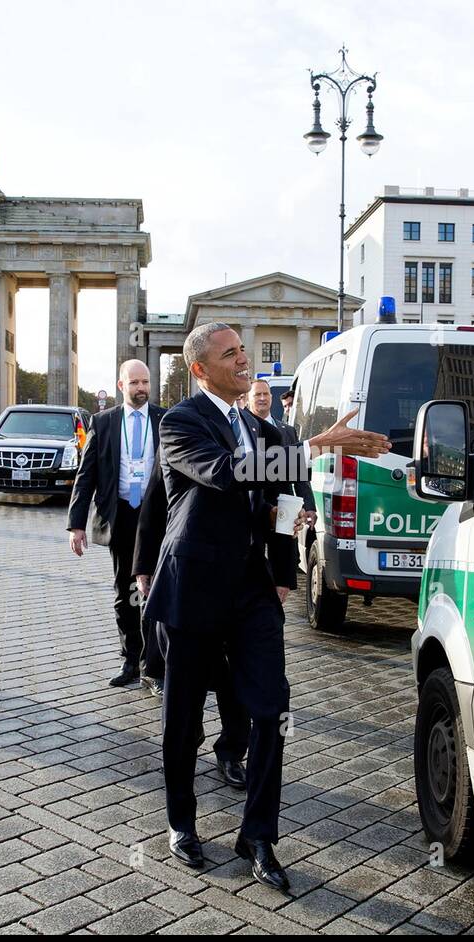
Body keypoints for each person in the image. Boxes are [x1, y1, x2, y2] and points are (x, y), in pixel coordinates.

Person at [145, 321, 390, 891]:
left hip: (253, 593)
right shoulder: (181, 423)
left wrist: (284, 568)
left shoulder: (267, 429)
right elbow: (227, 473)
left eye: (243, 351)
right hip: (193, 589)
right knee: (182, 722)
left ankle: (258, 836)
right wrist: (315, 445)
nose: (243, 360)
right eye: (229, 354)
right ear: (200, 369)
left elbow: (282, 501)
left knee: (271, 709)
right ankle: (182, 822)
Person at [134, 459, 250, 785]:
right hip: (190, 582)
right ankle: (190, 735)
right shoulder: (187, 428)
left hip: (243, 581)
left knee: (235, 679)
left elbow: (281, 494)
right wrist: (144, 564)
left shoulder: (263, 435)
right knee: (189, 677)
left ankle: (231, 752)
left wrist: (283, 574)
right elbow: (156, 503)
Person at [67, 359, 165, 689]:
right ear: (121, 386)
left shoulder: (164, 420)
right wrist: (76, 523)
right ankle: (130, 661)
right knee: (125, 592)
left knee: (156, 591)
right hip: (121, 516)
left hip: (157, 518)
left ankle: (154, 665)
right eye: (134, 382)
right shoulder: (104, 422)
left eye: (146, 382)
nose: (141, 388)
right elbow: (86, 474)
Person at [249, 378, 315, 526]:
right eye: (257, 394)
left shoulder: (288, 431)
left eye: (266, 394)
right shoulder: (241, 429)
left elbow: (299, 472)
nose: (262, 398)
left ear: (271, 398)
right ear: (248, 398)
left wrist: (309, 506)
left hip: (286, 511)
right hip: (253, 510)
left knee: (287, 549)